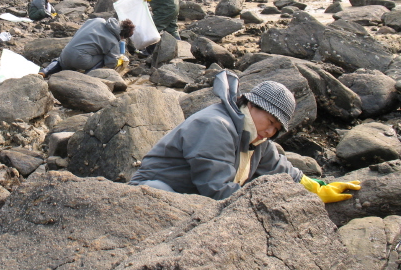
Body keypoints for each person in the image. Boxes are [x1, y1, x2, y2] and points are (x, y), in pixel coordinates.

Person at [129, 70, 361, 203]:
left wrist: (319, 190)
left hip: (191, 198)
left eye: (277, 129)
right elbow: (216, 189)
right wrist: (269, 205)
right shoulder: (215, 126)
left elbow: (284, 172)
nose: (270, 132)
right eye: (270, 122)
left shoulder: (256, 140)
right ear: (250, 104)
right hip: (153, 192)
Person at [40, 18, 135, 78]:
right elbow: (110, 63)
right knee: (105, 57)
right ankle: (87, 77)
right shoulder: (114, 42)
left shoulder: (98, 20)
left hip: (65, 54)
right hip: (81, 60)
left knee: (59, 61)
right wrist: (118, 60)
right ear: (123, 36)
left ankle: (45, 71)